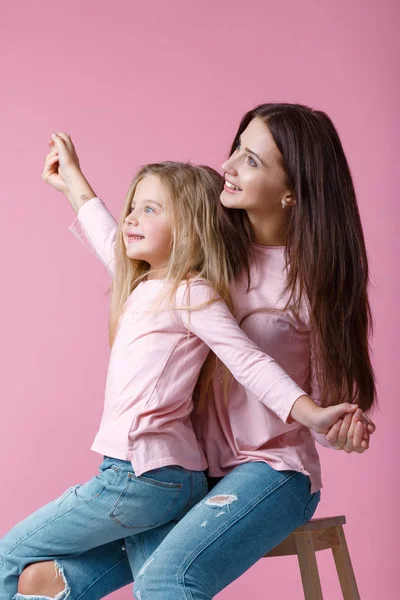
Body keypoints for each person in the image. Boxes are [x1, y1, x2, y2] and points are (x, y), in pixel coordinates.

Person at [11, 102, 376, 599]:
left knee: (167, 578)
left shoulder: (311, 284)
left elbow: (321, 407)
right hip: (187, 474)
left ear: (293, 192)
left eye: (252, 160)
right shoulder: (212, 252)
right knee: (40, 578)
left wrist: (340, 431)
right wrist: (76, 185)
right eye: (236, 150)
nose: (228, 166)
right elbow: (130, 261)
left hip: (271, 473)